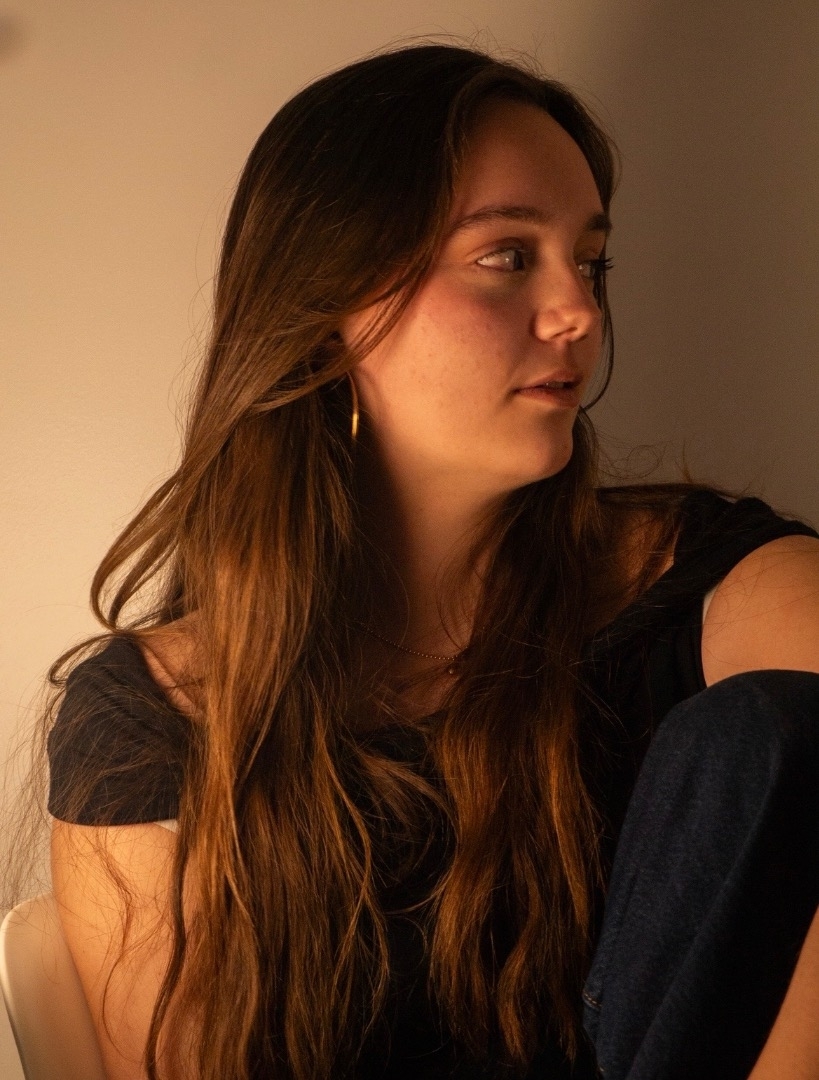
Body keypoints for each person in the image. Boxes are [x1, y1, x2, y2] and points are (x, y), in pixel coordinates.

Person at [44, 42, 819, 1080]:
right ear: (330, 317)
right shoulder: (155, 721)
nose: (579, 311)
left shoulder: (718, 584)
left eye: (590, 261)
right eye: (506, 256)